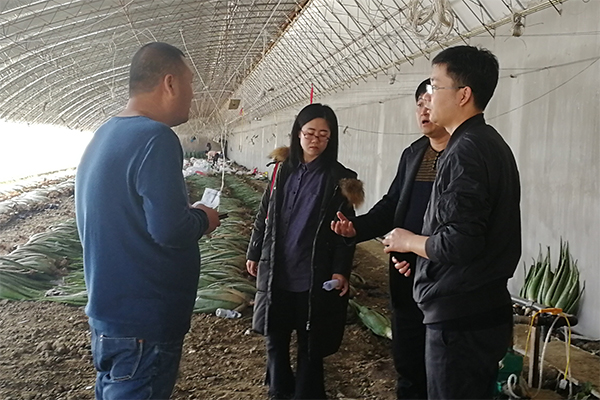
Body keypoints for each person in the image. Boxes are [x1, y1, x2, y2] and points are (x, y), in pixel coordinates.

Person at [75, 42, 221, 400]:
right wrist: (204, 218)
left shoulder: (104, 134)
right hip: (145, 320)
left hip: (111, 315)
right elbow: (170, 230)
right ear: (170, 83)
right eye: (189, 83)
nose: (192, 94)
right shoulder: (155, 138)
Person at [382, 45, 521, 399]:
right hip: (480, 308)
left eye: (435, 85)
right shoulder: (489, 143)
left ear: (463, 95)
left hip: (459, 319)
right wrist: (421, 258)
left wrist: (408, 241)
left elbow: (460, 242)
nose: (428, 97)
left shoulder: (465, 150)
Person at [331, 79, 450, 399]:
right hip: (405, 275)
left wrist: (420, 255)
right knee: (408, 362)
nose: (424, 110)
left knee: (443, 371)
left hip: (442, 279)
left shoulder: (463, 156)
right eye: (419, 104)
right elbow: (392, 205)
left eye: (430, 101)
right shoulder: (414, 154)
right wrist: (357, 229)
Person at [246, 103, 364, 400]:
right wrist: (255, 251)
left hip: (313, 272)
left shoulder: (340, 180)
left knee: (310, 343)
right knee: (275, 336)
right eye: (310, 132)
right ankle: (279, 391)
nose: (315, 140)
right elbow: (264, 213)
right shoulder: (281, 170)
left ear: (331, 138)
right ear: (298, 133)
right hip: (278, 267)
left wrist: (340, 270)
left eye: (323, 135)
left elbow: (345, 230)